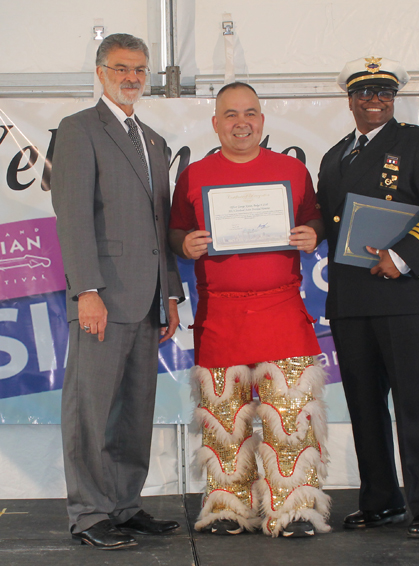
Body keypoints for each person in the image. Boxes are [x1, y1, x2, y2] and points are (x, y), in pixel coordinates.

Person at [169, 82, 331, 538]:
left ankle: (296, 510)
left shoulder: (292, 170)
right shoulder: (194, 175)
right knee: (223, 420)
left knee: (292, 417)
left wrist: (311, 233)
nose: (242, 122)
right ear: (215, 122)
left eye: (251, 113)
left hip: (282, 307)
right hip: (221, 314)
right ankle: (227, 508)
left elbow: (315, 217)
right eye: (231, 114)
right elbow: (175, 231)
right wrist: (184, 242)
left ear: (262, 120)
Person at [317, 56, 419, 538]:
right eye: (365, 93)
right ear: (350, 100)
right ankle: (381, 500)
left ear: (394, 98)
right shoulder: (334, 155)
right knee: (363, 404)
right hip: (353, 301)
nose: (375, 100)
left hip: (407, 295)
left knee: (416, 402)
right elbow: (327, 220)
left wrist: (403, 257)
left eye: (384, 92)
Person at [51, 33, 184, 550]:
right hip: (101, 299)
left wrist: (169, 293)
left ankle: (124, 505)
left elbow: (159, 225)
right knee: (90, 410)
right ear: (101, 72)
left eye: (140, 70)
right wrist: (87, 290)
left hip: (147, 300)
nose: (131, 78)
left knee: (133, 410)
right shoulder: (79, 130)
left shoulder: (152, 139)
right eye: (121, 68)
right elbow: (73, 217)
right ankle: (89, 513)